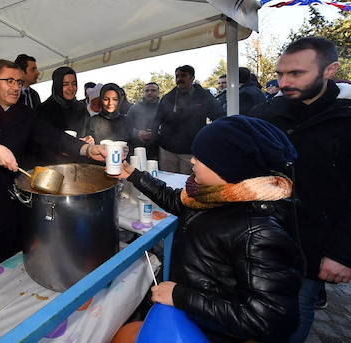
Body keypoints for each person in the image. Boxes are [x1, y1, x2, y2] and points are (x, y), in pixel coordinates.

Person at [116, 115, 303, 342]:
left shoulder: (257, 231)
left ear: (229, 167)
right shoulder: (214, 196)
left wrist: (181, 296)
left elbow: (271, 319)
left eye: (201, 157)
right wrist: (134, 176)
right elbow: (176, 201)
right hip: (194, 315)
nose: (192, 161)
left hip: (213, 333)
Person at [0, 59, 106, 283]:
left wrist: (86, 149)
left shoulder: (26, 114)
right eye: (8, 81)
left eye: (18, 82)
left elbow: (52, 137)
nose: (15, 87)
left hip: (9, 203)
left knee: (4, 267)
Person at [251, 36, 351, 342]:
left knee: (299, 305)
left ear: (329, 70)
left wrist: (343, 252)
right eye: (281, 73)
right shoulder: (268, 112)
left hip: (315, 243)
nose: (283, 82)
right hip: (266, 234)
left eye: (296, 74)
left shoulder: (346, 120)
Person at [150, 65, 224, 174]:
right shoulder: (168, 98)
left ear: (192, 78)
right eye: (177, 76)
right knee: (167, 181)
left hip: (191, 151)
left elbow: (219, 117)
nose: (180, 79)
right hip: (167, 150)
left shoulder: (204, 97)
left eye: (184, 75)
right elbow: (156, 122)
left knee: (187, 183)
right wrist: (153, 147)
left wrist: (210, 139)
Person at [126, 82, 160, 159]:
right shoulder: (134, 108)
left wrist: (156, 134)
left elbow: (170, 129)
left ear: (158, 93)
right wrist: (137, 133)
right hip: (137, 149)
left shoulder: (163, 108)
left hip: (159, 150)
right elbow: (125, 127)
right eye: (147, 91)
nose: (149, 93)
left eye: (153, 90)